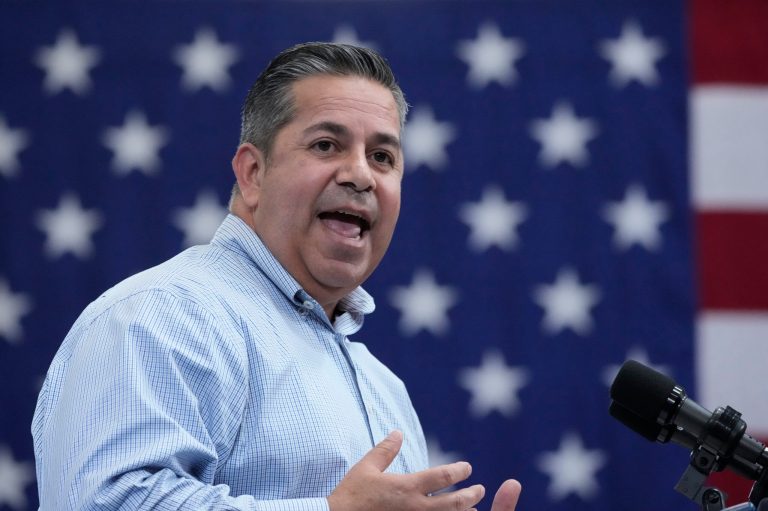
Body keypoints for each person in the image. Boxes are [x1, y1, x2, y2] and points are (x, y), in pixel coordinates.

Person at [32, 42, 522, 510]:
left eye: (383, 157)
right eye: (327, 145)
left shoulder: (383, 387)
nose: (360, 175)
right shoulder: (164, 314)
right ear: (252, 174)